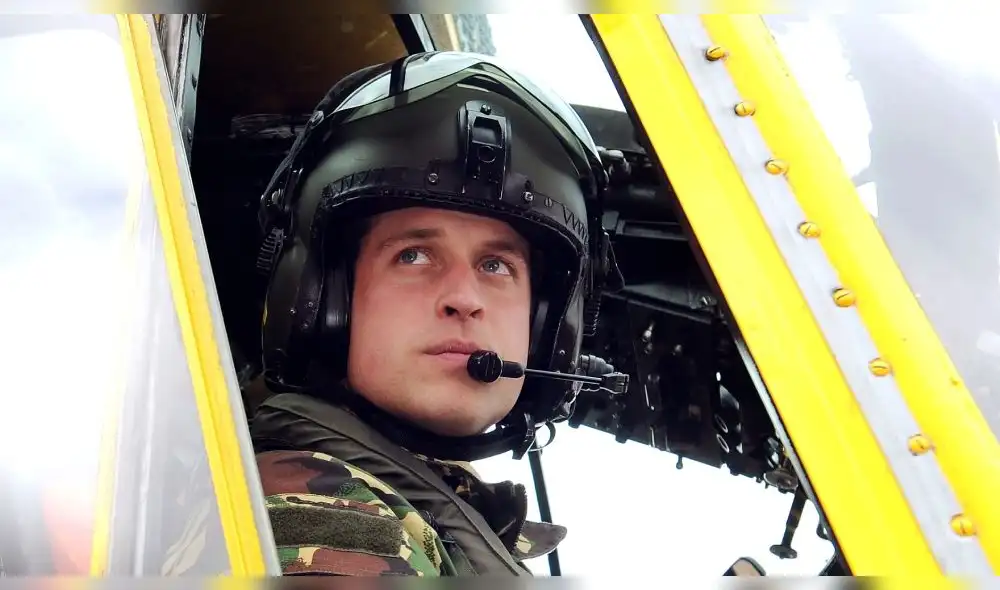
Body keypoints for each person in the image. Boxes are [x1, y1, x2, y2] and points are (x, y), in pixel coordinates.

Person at [250, 51, 622, 576]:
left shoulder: (429, 512)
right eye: (414, 255)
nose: (464, 298)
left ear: (544, 329)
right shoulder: (323, 516)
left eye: (496, 265)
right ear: (326, 301)